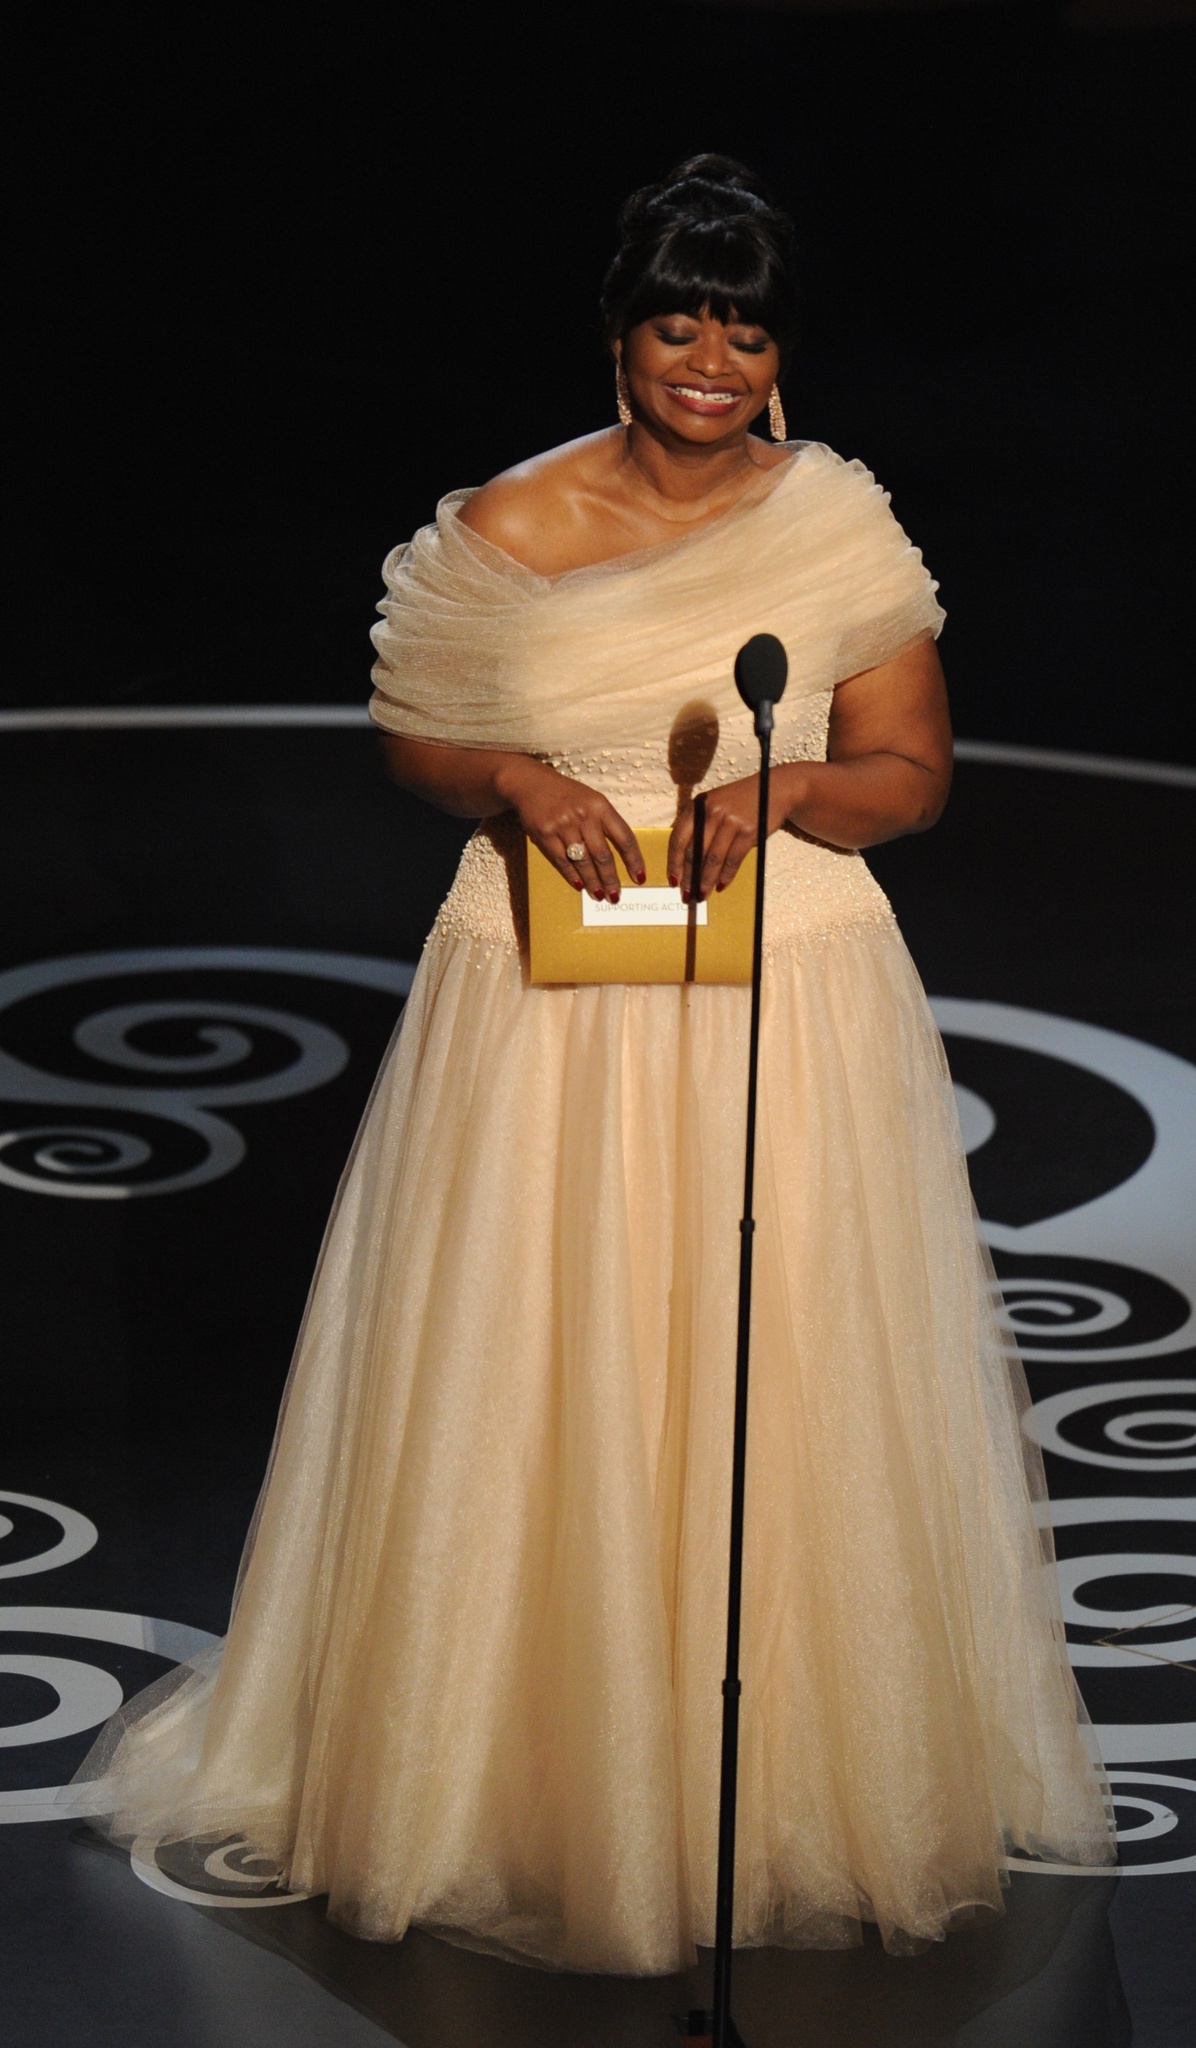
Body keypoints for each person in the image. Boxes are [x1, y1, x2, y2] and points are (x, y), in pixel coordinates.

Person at [75, 155, 1114, 1971]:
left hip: (783, 981)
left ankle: (784, 1776)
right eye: (679, 317)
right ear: (622, 330)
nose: (711, 356)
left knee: (776, 1368)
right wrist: (516, 779)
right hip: (538, 997)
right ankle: (508, 1774)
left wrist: (787, 791)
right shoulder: (505, 526)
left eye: (748, 325)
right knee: (527, 1363)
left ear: (784, 351)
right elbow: (415, 739)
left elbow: (912, 775)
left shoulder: (836, 521)